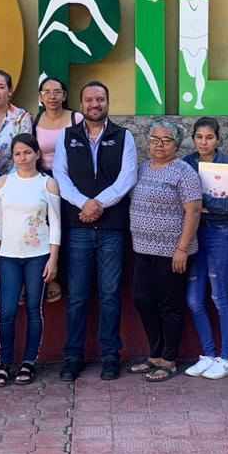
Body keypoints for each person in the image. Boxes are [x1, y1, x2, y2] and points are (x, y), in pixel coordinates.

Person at [52, 81, 138, 382]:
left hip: (112, 228)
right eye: (89, 99)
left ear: (108, 103)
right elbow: (60, 175)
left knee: (110, 294)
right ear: (81, 105)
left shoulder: (124, 136)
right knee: (77, 296)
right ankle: (73, 357)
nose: (94, 104)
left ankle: (110, 356)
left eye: (100, 99)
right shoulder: (67, 137)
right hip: (78, 227)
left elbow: (127, 178)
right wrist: (83, 204)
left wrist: (97, 204)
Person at [128, 120, 203, 382]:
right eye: (154, 139)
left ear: (177, 145)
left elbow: (193, 210)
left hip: (171, 252)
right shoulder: (143, 169)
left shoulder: (184, 172)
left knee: (169, 305)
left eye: (166, 140)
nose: (159, 144)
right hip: (142, 249)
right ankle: (155, 354)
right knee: (142, 300)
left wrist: (182, 248)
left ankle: (169, 360)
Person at [0, 134, 61, 387]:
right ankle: (4, 363)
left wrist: (53, 258)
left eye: (28, 152)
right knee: (6, 311)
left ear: (37, 154)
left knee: (33, 309)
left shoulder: (47, 184)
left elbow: (55, 224)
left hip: (38, 256)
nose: (23, 158)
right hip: (8, 256)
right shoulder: (4, 183)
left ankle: (29, 361)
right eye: (18, 153)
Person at [182, 117, 228, 379]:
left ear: (217, 139)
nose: (204, 142)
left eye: (209, 137)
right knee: (193, 299)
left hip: (220, 233)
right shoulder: (186, 164)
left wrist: (204, 202)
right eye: (199, 137)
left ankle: (227, 356)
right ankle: (209, 354)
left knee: (220, 297)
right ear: (193, 138)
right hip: (192, 234)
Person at [32, 75, 83, 303]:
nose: (52, 96)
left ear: (64, 95)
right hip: (43, 180)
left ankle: (61, 278)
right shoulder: (34, 120)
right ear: (40, 97)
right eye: (47, 92)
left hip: (71, 181)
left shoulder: (76, 119)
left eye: (57, 92)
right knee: (43, 229)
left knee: (66, 229)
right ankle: (44, 278)